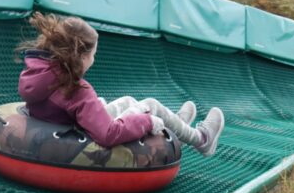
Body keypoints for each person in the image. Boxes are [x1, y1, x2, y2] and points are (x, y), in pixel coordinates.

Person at [17, 12, 225, 156]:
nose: (94, 60)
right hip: (82, 136)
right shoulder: (77, 90)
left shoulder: (39, 71)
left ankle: (175, 126)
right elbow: (108, 134)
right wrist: (148, 122)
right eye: (93, 55)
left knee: (127, 101)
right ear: (80, 56)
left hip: (67, 125)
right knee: (151, 106)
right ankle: (201, 139)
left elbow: (60, 107)